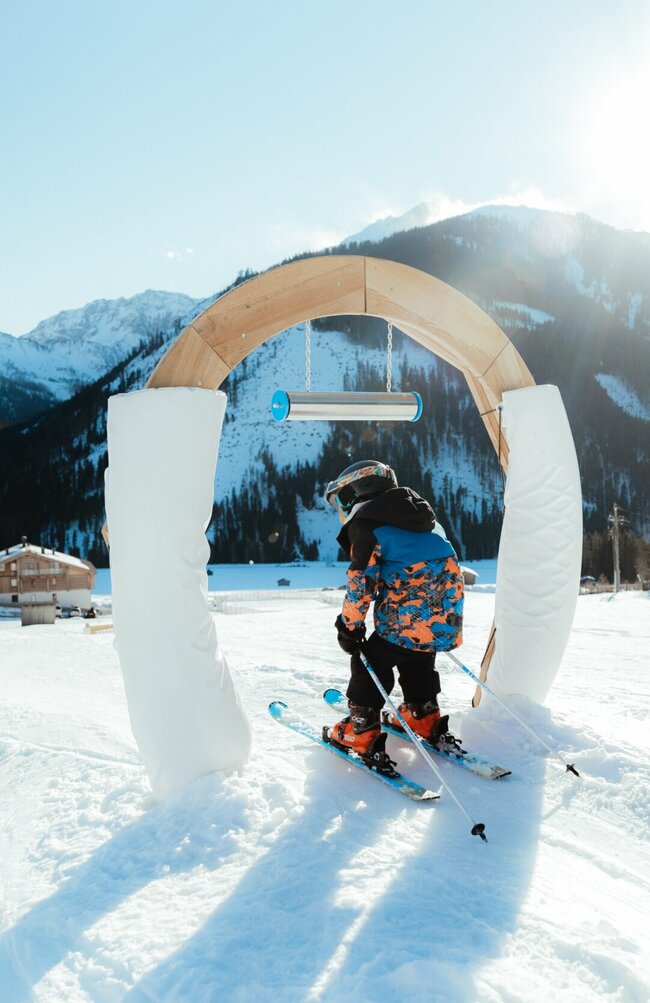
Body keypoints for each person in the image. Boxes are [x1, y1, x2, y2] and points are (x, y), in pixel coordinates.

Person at [323, 460, 464, 760]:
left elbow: (361, 584)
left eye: (340, 499)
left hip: (405, 619)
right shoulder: (426, 520)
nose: (340, 508)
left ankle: (360, 730)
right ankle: (422, 714)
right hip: (445, 620)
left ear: (356, 493)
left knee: (369, 663)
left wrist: (349, 627)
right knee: (417, 656)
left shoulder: (367, 524)